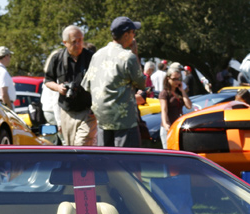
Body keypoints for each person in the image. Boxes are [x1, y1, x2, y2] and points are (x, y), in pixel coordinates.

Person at [82, 16, 146, 147]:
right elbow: (142, 84)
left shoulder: (97, 55)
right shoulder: (128, 57)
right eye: (133, 32)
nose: (134, 36)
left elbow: (86, 85)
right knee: (127, 164)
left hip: (102, 120)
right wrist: (135, 53)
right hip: (124, 121)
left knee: (105, 163)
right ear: (126, 35)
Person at [44, 25, 97, 146]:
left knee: (82, 145)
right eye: (74, 42)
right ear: (65, 43)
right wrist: (58, 88)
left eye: (80, 40)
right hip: (67, 112)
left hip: (88, 111)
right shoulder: (57, 58)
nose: (78, 44)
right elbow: (47, 80)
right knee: (70, 147)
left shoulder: (91, 57)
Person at [159, 67, 192, 147]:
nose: (177, 81)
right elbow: (164, 110)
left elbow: (189, 106)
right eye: (174, 79)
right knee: (169, 152)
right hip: (168, 126)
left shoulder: (179, 92)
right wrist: (165, 123)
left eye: (178, 79)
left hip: (178, 126)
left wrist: (183, 91)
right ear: (168, 79)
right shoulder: (164, 93)